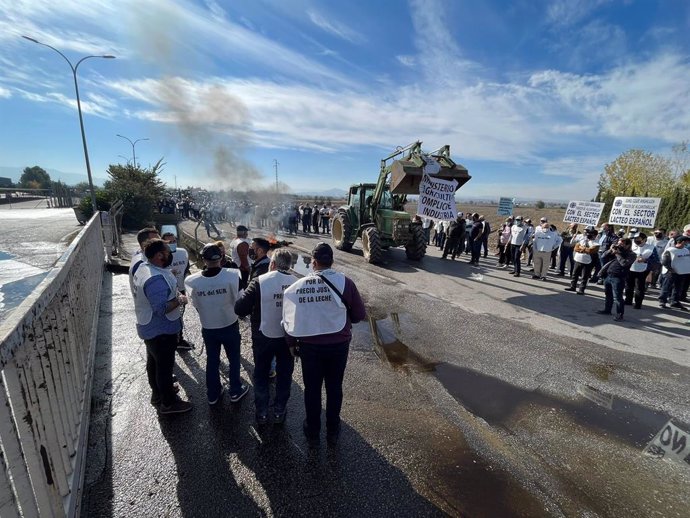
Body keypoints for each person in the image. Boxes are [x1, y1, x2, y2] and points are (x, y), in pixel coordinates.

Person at [282, 243, 366, 446]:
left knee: (312, 389)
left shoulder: (297, 287)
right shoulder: (346, 283)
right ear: (332, 261)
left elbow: (289, 320)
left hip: (310, 347)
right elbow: (359, 315)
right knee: (334, 387)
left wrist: (291, 343)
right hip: (338, 345)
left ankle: (312, 431)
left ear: (313, 262)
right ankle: (333, 429)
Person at [234, 249, 297, 424]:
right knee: (285, 374)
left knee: (261, 373)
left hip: (263, 336)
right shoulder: (296, 282)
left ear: (273, 264)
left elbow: (240, 309)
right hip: (288, 338)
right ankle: (279, 410)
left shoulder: (259, 282)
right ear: (289, 265)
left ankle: (261, 412)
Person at [132, 238, 192, 414]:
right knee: (164, 368)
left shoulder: (145, 268)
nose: (170, 254)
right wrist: (180, 300)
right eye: (168, 252)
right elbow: (160, 309)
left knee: (154, 363)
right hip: (160, 331)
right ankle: (168, 403)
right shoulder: (155, 279)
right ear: (159, 255)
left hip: (149, 328)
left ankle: (158, 394)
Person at [185, 244, 248, 405]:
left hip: (209, 326)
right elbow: (241, 300)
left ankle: (213, 394)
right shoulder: (233, 275)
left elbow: (195, 304)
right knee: (233, 358)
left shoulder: (191, 281)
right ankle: (235, 390)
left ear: (203, 259)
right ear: (221, 258)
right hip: (229, 323)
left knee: (212, 360)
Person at [162, 232, 194, 351]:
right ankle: (168, 341)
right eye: (169, 242)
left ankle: (179, 339)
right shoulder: (161, 255)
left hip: (180, 289)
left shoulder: (183, 252)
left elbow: (187, 268)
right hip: (166, 290)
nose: (173, 244)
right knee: (168, 315)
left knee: (180, 314)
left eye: (174, 241)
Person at [596, 238, 636, 321]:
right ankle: (607, 310)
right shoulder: (616, 251)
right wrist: (610, 250)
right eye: (618, 243)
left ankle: (620, 314)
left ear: (628, 245)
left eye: (621, 244)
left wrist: (617, 253)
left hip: (618, 277)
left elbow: (624, 263)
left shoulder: (631, 254)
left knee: (618, 297)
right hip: (608, 275)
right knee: (608, 294)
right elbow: (603, 257)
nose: (619, 245)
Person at [565, 225, 599, 295]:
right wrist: (584, 249)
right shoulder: (583, 239)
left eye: (591, 234)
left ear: (595, 236)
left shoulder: (596, 242)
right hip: (578, 259)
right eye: (588, 234)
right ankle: (573, 286)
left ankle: (581, 289)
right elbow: (576, 248)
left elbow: (591, 251)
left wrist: (582, 248)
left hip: (587, 261)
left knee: (584, 276)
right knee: (574, 274)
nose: (589, 235)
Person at [658, 235, 690, 310]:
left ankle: (674, 302)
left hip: (682, 272)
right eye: (686, 242)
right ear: (682, 242)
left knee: (678, 288)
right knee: (666, 287)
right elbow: (664, 261)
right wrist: (671, 269)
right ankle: (662, 301)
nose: (688, 243)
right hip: (670, 272)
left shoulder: (686, 250)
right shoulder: (670, 250)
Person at [625, 233, 655, 309]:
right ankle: (628, 300)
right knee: (628, 285)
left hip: (643, 269)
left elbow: (656, 260)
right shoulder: (631, 245)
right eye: (635, 239)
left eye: (638, 239)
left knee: (639, 287)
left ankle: (638, 303)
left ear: (644, 239)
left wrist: (645, 260)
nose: (636, 241)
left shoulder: (651, 248)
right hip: (630, 267)